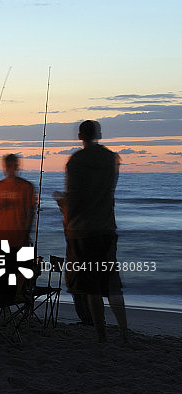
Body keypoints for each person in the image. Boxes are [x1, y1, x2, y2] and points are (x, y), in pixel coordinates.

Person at [60, 120, 128, 343]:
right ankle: (124, 333)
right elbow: (108, 192)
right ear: (99, 134)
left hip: (82, 230)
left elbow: (75, 197)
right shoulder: (111, 159)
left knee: (91, 287)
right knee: (112, 284)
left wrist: (63, 207)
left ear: (80, 135)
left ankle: (101, 336)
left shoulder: (76, 161)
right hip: (106, 227)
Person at [0, 153, 36, 247]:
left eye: (13, 166)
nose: (11, 169)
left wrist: (26, 234)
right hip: (1, 235)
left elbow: (31, 213)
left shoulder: (27, 186)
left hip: (21, 236)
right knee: (4, 261)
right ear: (4, 167)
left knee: (24, 261)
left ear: (17, 167)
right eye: (8, 166)